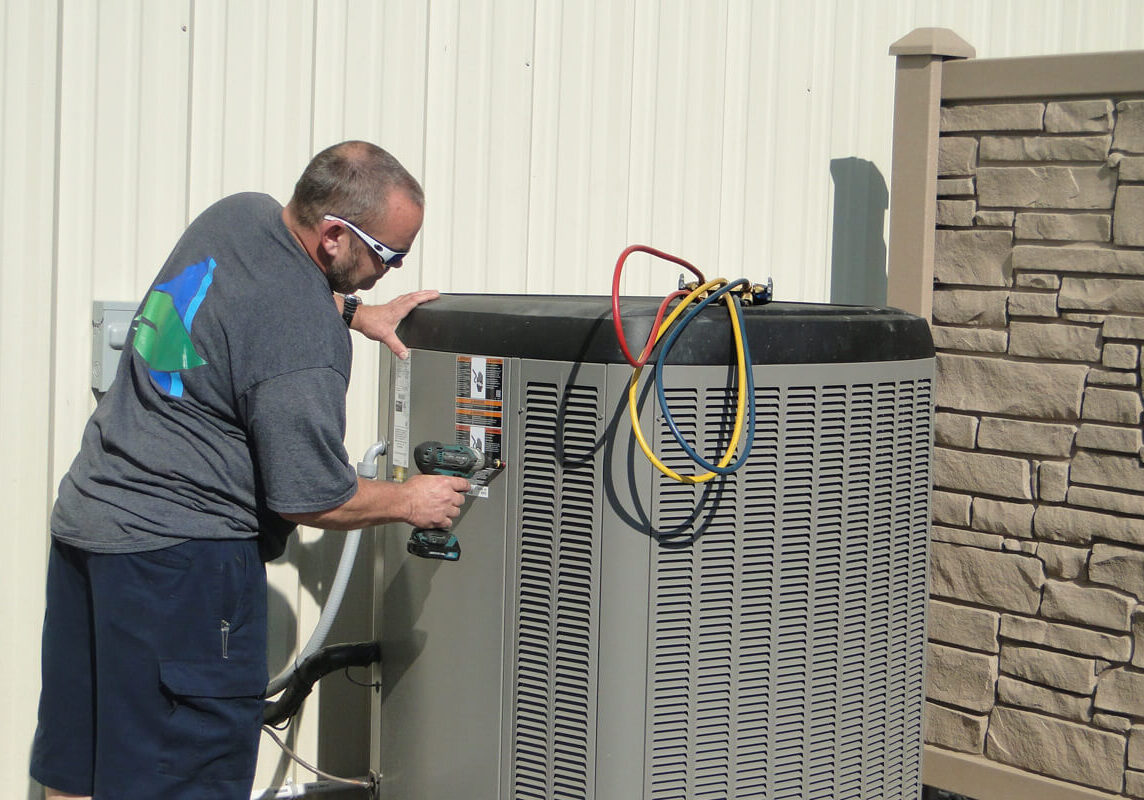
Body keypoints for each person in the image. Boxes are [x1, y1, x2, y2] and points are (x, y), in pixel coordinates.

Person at [29, 141, 470, 800]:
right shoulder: (302, 342)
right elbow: (308, 494)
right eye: (388, 255)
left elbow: (249, 301)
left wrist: (355, 311)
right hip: (179, 568)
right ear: (332, 237)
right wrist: (410, 501)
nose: (393, 269)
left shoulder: (238, 217)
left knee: (80, 766)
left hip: (91, 530)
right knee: (184, 779)